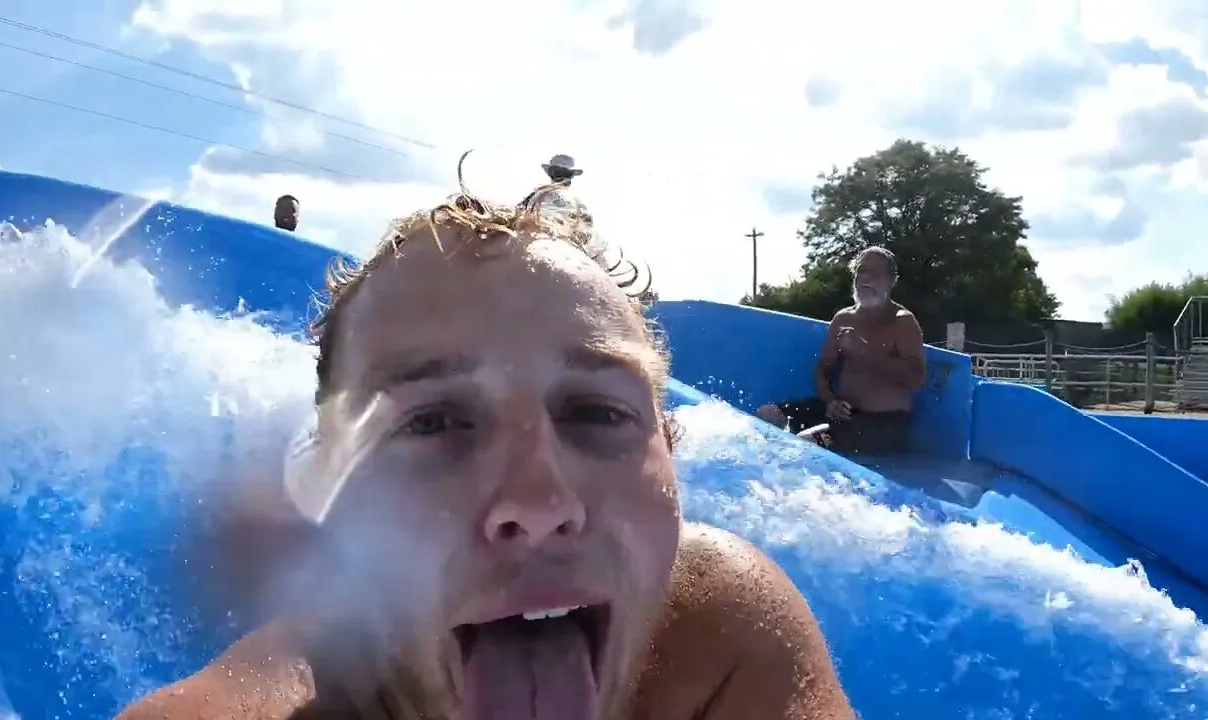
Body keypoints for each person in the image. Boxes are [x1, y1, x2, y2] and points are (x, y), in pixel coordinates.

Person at [116, 168, 853, 719]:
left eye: (597, 413)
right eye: (432, 422)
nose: (538, 503)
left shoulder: (725, 634)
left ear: (671, 449)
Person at [757, 247, 926, 457]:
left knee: (806, 444)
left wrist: (865, 351)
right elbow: (822, 370)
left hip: (884, 423)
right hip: (842, 414)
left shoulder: (902, 321)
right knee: (767, 414)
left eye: (875, 273)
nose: (866, 278)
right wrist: (830, 402)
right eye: (861, 271)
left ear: (891, 280)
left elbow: (915, 380)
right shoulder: (843, 319)